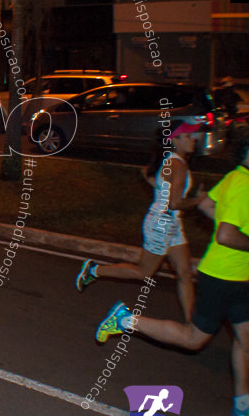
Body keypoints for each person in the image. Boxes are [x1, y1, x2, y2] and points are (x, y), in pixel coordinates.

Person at [95, 132, 249, 416]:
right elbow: (212, 225)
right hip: (210, 264)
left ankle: (243, 404)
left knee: (245, 334)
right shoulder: (237, 183)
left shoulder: (235, 178)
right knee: (189, 333)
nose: (196, 139)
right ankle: (122, 314)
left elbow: (204, 203)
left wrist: (193, 201)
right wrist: (191, 200)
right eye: (191, 135)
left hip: (230, 269)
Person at [77, 121, 206, 320]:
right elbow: (175, 203)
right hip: (162, 224)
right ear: (175, 140)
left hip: (171, 223)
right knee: (144, 273)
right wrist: (198, 200)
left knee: (185, 273)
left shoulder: (172, 160)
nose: (194, 139)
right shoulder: (178, 164)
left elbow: (151, 178)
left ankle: (192, 323)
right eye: (188, 136)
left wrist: (160, 188)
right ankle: (94, 270)